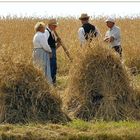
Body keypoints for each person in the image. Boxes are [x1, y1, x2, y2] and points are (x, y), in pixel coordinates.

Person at [45, 19, 60, 85]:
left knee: (54, 66)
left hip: (53, 51)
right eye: (54, 26)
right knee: (51, 67)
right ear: (50, 25)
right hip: (50, 52)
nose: (55, 27)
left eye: (56, 26)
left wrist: (57, 43)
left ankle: (53, 82)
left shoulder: (52, 32)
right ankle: (50, 83)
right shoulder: (46, 32)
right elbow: (45, 43)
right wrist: (49, 52)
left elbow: (51, 43)